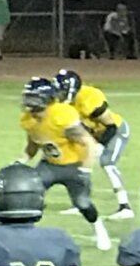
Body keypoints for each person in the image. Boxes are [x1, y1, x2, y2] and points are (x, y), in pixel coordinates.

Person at [19, 77, 111, 251]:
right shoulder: (28, 120)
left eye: (32, 97)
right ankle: (25, 234)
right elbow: (32, 147)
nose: (28, 102)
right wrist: (20, 161)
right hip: (50, 165)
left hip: (74, 166)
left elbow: (88, 142)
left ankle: (99, 228)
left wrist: (85, 170)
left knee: (82, 203)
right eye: (27, 97)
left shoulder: (61, 114)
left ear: (45, 98)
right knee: (28, 195)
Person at [54, 69, 133, 220]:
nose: (59, 94)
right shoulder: (65, 104)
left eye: (62, 91)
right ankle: (81, 203)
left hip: (115, 132)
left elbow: (111, 126)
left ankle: (125, 207)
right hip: (93, 134)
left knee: (107, 163)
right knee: (77, 164)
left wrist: (99, 146)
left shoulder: (89, 98)